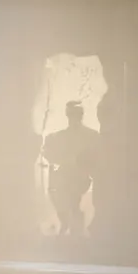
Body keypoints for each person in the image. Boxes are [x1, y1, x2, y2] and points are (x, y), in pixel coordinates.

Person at [42, 101, 99, 236]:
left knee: (71, 197)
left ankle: (73, 226)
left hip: (80, 178)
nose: (74, 117)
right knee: (58, 192)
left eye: (76, 114)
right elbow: (49, 153)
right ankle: (68, 223)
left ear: (81, 115)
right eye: (71, 114)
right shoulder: (59, 137)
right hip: (64, 178)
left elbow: (95, 158)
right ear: (67, 115)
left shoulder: (91, 136)